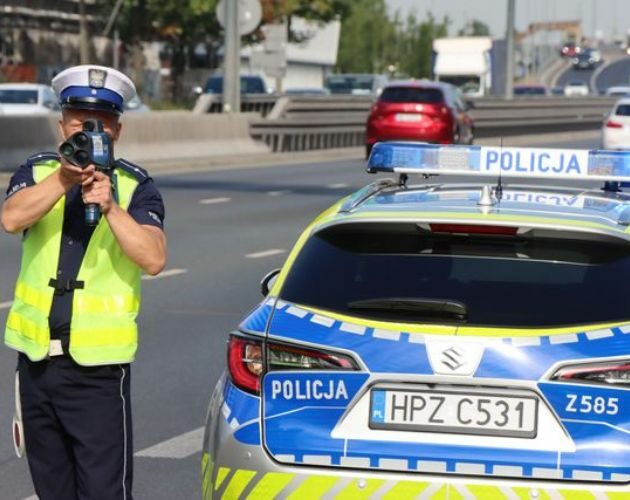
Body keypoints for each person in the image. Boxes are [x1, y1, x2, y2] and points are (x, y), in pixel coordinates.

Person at [1, 65, 167, 500]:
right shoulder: (37, 172)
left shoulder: (136, 186)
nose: (91, 133)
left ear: (118, 129)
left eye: (102, 124)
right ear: (62, 126)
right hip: (37, 364)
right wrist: (62, 179)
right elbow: (11, 217)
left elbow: (153, 258)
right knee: (51, 490)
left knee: (102, 493)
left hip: (97, 373)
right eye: (80, 123)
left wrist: (112, 209)